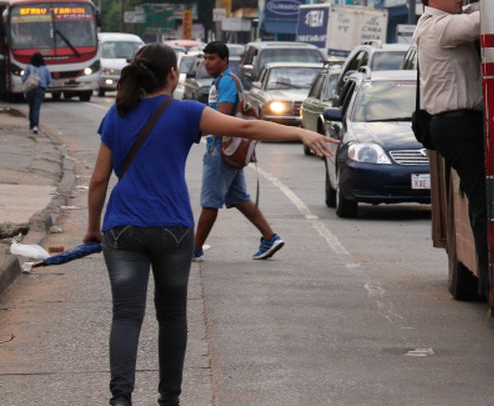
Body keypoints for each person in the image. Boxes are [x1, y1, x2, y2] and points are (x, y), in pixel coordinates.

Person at [84, 43, 332, 406]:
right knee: (171, 315)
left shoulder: (117, 114)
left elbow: (98, 181)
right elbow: (246, 126)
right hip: (172, 228)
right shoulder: (186, 113)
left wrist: (93, 228)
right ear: (173, 74)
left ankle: (121, 398)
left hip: (122, 229)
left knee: (126, 315)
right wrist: (300, 133)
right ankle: (169, 398)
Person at [412, 0, 488, 292]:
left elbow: (474, 9)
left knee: (484, 196)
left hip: (458, 123)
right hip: (456, 124)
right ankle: (492, 280)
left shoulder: (443, 21)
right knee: (484, 199)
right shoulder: (437, 28)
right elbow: (482, 20)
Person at [193, 41, 283, 261]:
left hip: (220, 150)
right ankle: (270, 237)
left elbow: (221, 120)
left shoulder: (226, 82)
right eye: (205, 58)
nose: (207, 62)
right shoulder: (225, 81)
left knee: (210, 202)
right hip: (228, 149)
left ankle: (194, 249)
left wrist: (196, 132)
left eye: (212, 58)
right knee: (240, 199)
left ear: (225, 61)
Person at [21, 52, 52, 134]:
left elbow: (23, 78)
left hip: (30, 89)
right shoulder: (45, 69)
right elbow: (49, 80)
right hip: (40, 89)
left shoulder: (28, 67)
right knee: (36, 107)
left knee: (31, 107)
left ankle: (32, 125)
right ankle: (35, 126)